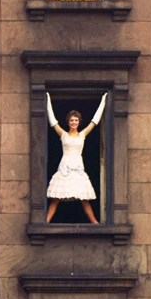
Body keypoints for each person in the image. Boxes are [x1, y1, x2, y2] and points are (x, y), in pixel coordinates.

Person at [45, 93, 107, 223]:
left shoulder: (82, 135)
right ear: (68, 122)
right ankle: (45, 222)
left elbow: (95, 121)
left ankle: (95, 223)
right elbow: (52, 120)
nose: (74, 122)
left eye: (76, 120)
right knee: (56, 198)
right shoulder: (63, 134)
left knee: (84, 199)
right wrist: (48, 99)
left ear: (79, 122)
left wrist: (103, 101)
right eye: (72, 120)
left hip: (78, 168)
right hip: (64, 169)